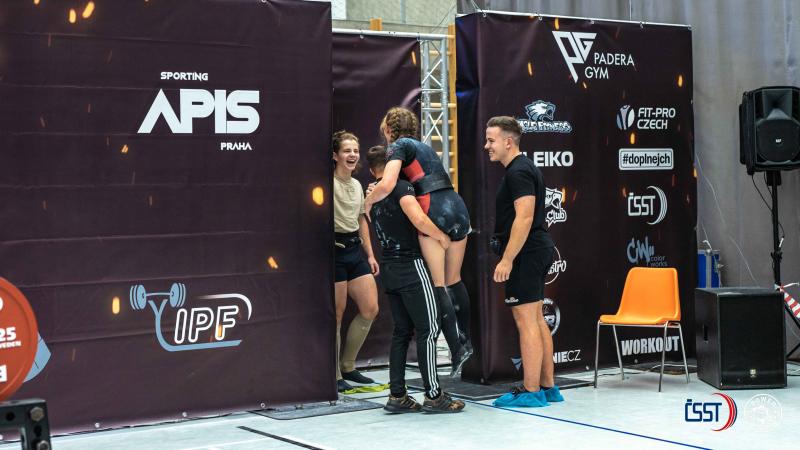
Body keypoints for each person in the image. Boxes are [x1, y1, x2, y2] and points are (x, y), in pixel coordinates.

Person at [364, 107, 472, 376]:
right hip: (457, 206)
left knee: (437, 284)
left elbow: (388, 184)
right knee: (455, 279)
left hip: (433, 208)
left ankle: (457, 348)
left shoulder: (397, 146)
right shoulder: (423, 148)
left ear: (389, 128)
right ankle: (466, 339)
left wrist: (367, 202)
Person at [366, 145, 465, 414]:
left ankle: (397, 395)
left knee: (401, 332)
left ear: (371, 170)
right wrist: (442, 237)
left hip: (389, 267)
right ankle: (434, 396)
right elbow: (419, 219)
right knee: (429, 330)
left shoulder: (372, 195)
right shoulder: (401, 188)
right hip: (411, 266)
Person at [483, 116, 565, 407]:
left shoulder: (518, 171)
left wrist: (507, 259)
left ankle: (531, 392)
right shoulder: (522, 168)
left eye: (491, 140)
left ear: (508, 142)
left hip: (527, 253)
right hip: (535, 250)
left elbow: (525, 216)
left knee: (526, 320)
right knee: (536, 318)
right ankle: (548, 388)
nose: (487, 146)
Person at [332, 130, 380, 392]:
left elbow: (362, 220)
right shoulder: (328, 183)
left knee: (370, 308)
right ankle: (334, 373)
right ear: (335, 155)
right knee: (336, 315)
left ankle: (348, 366)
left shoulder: (357, 185)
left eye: (355, 151)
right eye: (346, 151)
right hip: (334, 252)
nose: (352, 155)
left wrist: (370, 254)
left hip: (354, 251)